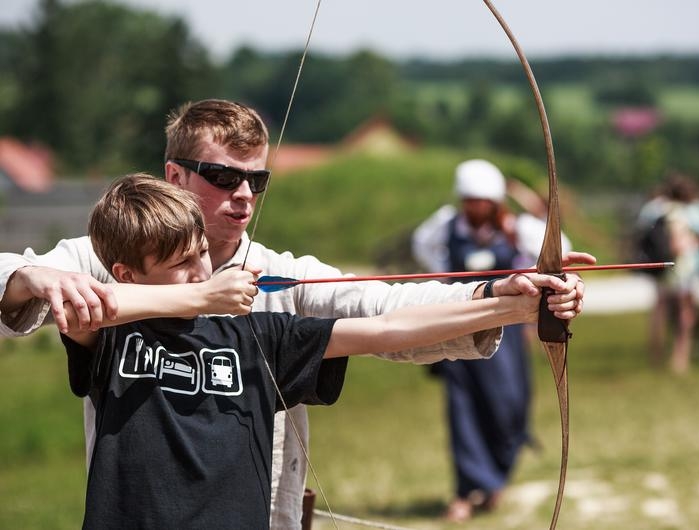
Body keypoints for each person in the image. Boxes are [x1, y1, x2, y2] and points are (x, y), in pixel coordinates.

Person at [0, 99, 594, 529]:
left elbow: (383, 313)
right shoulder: (104, 260)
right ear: (175, 175)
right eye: (223, 177)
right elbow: (48, 292)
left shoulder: (279, 283)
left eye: (257, 180)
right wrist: (30, 275)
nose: (244, 196)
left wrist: (502, 298)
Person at [412, 159, 571, 522]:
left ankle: (496, 479)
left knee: (508, 406)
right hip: (459, 331)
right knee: (463, 410)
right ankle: (465, 491)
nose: (475, 207)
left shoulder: (516, 230)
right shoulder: (446, 226)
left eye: (482, 200)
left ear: (496, 201)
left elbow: (560, 245)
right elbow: (426, 252)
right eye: (470, 200)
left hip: (507, 338)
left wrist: (533, 206)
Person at [635, 173, 699, 373]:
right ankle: (681, 358)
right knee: (685, 312)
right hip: (686, 266)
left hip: (662, 265)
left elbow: (641, 229)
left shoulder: (655, 208)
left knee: (660, 308)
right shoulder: (694, 210)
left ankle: (655, 353)